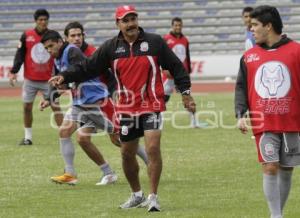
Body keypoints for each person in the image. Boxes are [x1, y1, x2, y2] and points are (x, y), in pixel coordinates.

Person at [48, 5, 196, 212]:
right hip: (126, 108)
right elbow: (88, 67)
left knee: (153, 148)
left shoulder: (154, 42)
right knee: (127, 153)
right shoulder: (110, 47)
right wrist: (66, 76)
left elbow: (176, 66)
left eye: (133, 18)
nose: (131, 23)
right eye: (125, 20)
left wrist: (186, 93)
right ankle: (137, 194)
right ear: (118, 24)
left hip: (151, 104)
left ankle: (153, 196)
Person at [235, 5, 300, 218]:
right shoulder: (249, 56)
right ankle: (276, 215)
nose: (251, 29)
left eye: (255, 25)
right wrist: (240, 114)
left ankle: (277, 213)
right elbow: (242, 87)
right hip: (263, 122)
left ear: (268, 26)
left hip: (292, 122)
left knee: (287, 169)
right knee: (270, 167)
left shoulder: (296, 51)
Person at [40, 29, 118, 185]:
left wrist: (112, 94)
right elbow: (62, 79)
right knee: (73, 135)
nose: (76, 39)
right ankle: (74, 173)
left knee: (119, 139)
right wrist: (50, 98)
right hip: (80, 104)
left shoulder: (88, 52)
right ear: (66, 38)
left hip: (98, 102)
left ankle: (149, 161)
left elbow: (101, 75)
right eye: (72, 36)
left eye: (78, 35)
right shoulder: (60, 57)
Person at [9, 9, 63, 145]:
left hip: (49, 79)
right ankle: (28, 137)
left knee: (56, 107)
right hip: (30, 79)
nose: (43, 22)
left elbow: (58, 55)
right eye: (40, 20)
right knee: (27, 108)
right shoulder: (27, 35)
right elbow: (20, 54)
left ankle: (64, 136)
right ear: (36, 21)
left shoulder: (52, 36)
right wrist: (14, 71)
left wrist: (60, 75)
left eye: (45, 19)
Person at [162, 17, 207, 128]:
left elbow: (187, 56)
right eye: (176, 25)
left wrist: (188, 71)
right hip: (169, 75)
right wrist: (163, 69)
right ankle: (158, 123)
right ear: (172, 26)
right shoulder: (166, 39)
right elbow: (161, 56)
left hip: (181, 75)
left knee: (187, 97)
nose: (178, 27)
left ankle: (194, 122)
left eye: (179, 25)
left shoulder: (185, 40)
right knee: (163, 98)